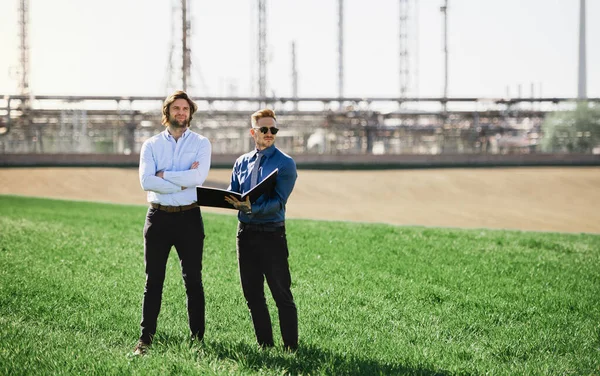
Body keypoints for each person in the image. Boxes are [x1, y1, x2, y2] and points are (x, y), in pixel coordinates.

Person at [133, 90, 211, 355]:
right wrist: (182, 178)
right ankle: (145, 339)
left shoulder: (201, 143)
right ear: (167, 113)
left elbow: (198, 178)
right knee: (153, 281)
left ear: (190, 113)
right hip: (158, 218)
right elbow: (146, 181)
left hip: (189, 218)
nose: (181, 113)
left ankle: (197, 340)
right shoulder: (151, 145)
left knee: (194, 281)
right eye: (176, 108)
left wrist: (164, 176)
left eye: (185, 109)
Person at [224, 108, 299, 352]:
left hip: (272, 235)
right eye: (264, 129)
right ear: (253, 132)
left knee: (281, 294)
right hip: (244, 234)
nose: (269, 134)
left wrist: (250, 208)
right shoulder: (241, 162)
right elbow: (233, 191)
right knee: (252, 294)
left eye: (273, 130)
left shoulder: (285, 164)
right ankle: (265, 346)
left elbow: (279, 201)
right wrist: (231, 201)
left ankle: (291, 348)